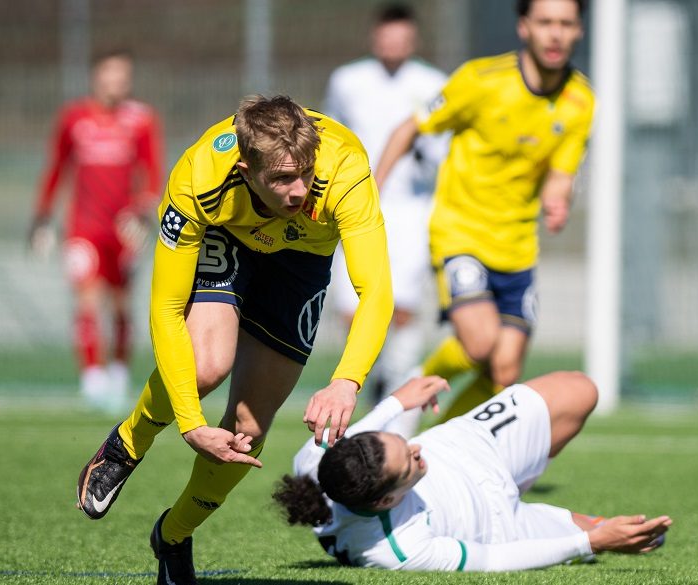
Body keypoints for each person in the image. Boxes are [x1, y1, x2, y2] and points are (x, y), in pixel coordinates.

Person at [75, 95, 393, 585]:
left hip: (303, 263)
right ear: (245, 169)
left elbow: (376, 292)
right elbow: (164, 308)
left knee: (248, 428)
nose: (298, 190)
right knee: (205, 368)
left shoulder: (346, 168)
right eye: (281, 179)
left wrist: (347, 381)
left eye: (305, 174)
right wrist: (188, 422)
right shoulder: (199, 178)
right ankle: (127, 444)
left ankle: (175, 534)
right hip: (229, 235)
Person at [375, 0, 595, 419]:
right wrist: (375, 186)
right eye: (545, 22)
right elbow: (410, 127)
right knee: (479, 344)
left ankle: (440, 446)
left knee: (505, 368)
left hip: (517, 246)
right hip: (461, 233)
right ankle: (414, 381)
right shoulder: (481, 80)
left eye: (566, 24)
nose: (555, 33)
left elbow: (561, 173)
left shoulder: (580, 100)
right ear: (524, 27)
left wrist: (557, 200)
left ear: (579, 31)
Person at [273, 371, 672, 570]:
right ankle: (566, 517)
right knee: (639, 537)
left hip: (469, 443)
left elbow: (357, 435)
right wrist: (591, 543)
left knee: (580, 388)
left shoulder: (315, 461)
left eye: (402, 442)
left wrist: (398, 402)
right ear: (386, 501)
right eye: (409, 461)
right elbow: (494, 559)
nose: (415, 448)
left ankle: (528, 466)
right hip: (499, 523)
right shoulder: (396, 550)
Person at [323, 3, 448, 436]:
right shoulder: (347, 80)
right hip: (353, 207)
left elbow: (442, 151)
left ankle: (402, 408)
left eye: (401, 36)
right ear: (376, 36)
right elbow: (331, 136)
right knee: (350, 307)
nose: (392, 43)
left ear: (412, 39)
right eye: (386, 34)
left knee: (405, 307)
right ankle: (360, 388)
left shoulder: (432, 83)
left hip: (409, 210)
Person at [30, 49, 164, 412]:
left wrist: (141, 212)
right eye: (109, 74)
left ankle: (119, 373)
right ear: (96, 77)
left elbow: (152, 172)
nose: (115, 83)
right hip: (83, 229)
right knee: (87, 299)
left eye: (123, 76)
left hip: (124, 232)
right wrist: (42, 217)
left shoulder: (141, 119)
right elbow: (56, 168)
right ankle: (91, 377)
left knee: (121, 306)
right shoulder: (74, 118)